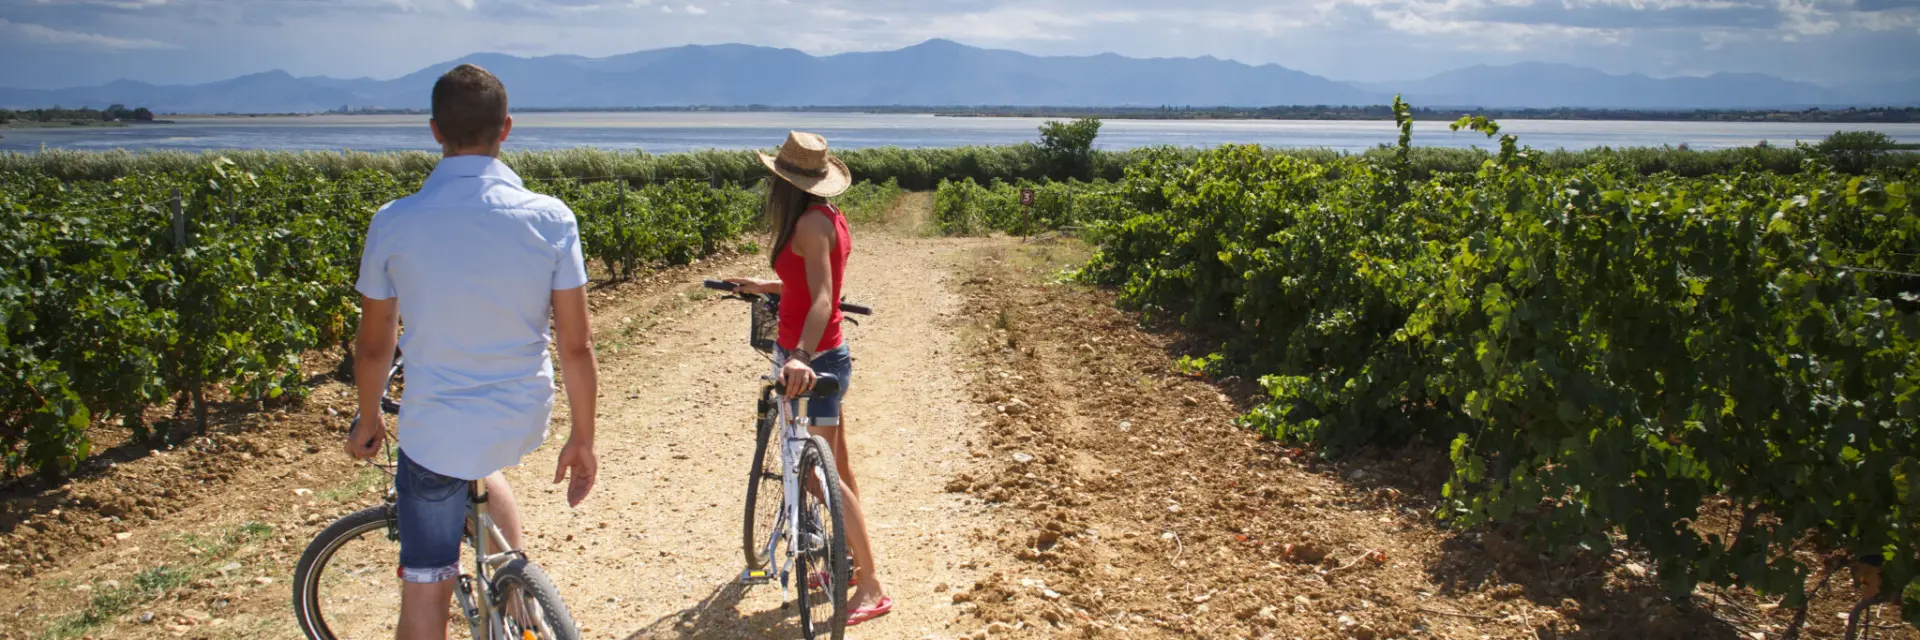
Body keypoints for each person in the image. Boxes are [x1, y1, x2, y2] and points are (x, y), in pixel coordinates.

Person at [347, 63, 599, 640]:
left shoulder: (394, 222)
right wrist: (582, 439)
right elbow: (576, 345)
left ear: (435, 131)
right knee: (481, 461)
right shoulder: (551, 218)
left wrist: (368, 418)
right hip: (520, 416)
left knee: (425, 589)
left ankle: (484, 586)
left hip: (435, 426)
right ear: (505, 128)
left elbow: (374, 345)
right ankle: (513, 586)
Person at [724, 131, 893, 626]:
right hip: (820, 355)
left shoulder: (809, 227)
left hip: (812, 363)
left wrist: (799, 356)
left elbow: (824, 299)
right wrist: (764, 285)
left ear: (787, 183)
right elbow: (808, 285)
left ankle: (872, 584)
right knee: (837, 465)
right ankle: (854, 560)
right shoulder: (825, 219)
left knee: (822, 477)